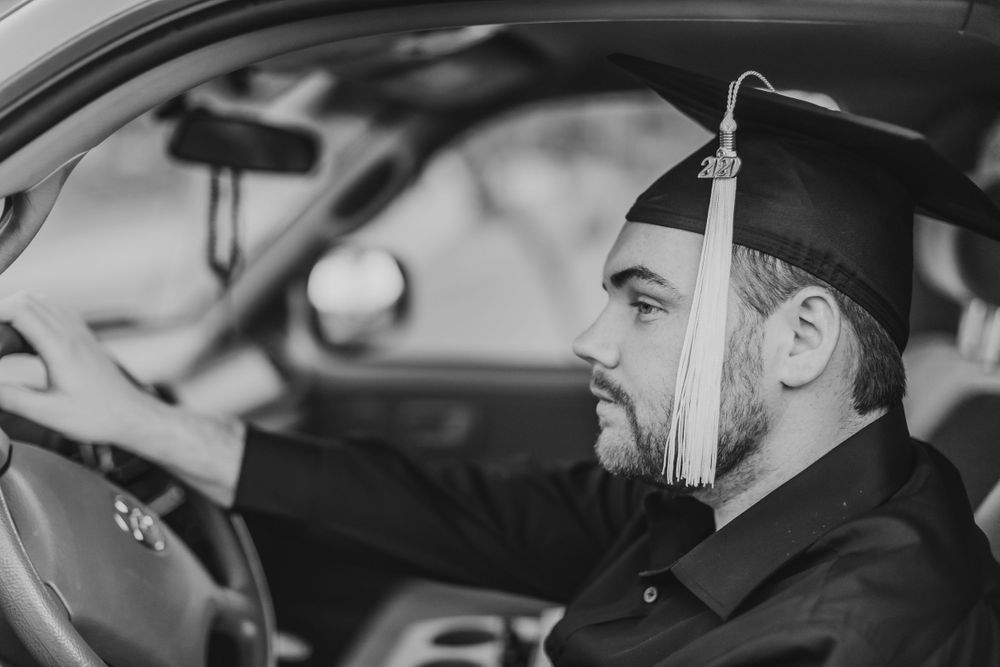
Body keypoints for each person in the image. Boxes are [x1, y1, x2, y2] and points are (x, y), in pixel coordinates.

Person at [1, 55, 999, 666]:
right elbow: (458, 508)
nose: (589, 339)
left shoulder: (846, 636)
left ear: (802, 339)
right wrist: (145, 425)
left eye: (642, 302)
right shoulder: (735, 496)